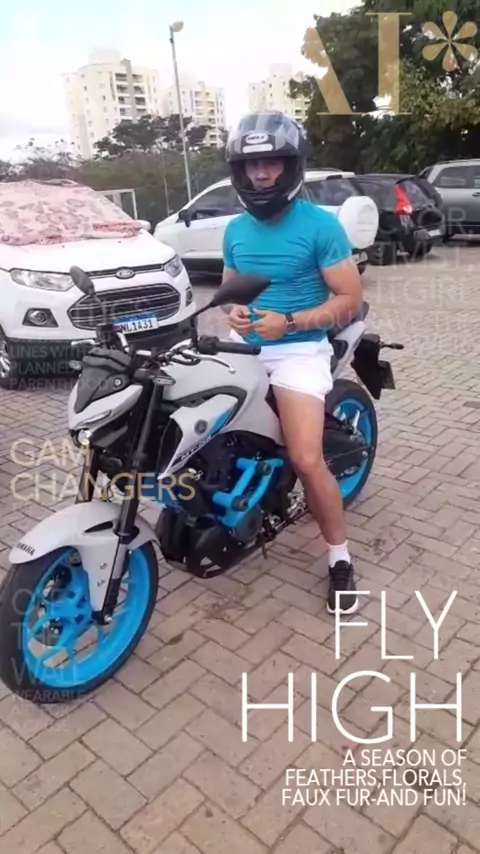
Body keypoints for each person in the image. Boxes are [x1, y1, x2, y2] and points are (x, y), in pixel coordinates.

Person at [221, 111, 364, 615]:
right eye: (251, 164)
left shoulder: (321, 226)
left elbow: (349, 300)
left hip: (299, 349)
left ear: (292, 166)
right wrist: (233, 311)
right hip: (243, 347)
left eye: (272, 163)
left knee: (305, 458)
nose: (261, 174)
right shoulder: (235, 229)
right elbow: (230, 290)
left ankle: (340, 557)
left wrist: (291, 322)